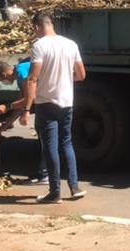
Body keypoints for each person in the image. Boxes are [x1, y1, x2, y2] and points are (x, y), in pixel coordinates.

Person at [21, 11, 86, 204]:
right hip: (67, 101)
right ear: (51, 24)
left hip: (46, 102)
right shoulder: (71, 44)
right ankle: (74, 187)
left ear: (37, 27)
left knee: (50, 146)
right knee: (66, 142)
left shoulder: (39, 46)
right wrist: (66, 79)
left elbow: (32, 78)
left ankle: (54, 192)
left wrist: (26, 109)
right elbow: (81, 75)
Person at [0, 57, 48, 184]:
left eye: (1, 80)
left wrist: (8, 107)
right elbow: (20, 105)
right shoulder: (20, 73)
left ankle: (45, 174)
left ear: (3, 74)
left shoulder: (22, 73)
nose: (3, 82)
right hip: (47, 100)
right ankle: (43, 171)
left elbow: (29, 99)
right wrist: (5, 126)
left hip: (48, 101)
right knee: (44, 136)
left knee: (46, 137)